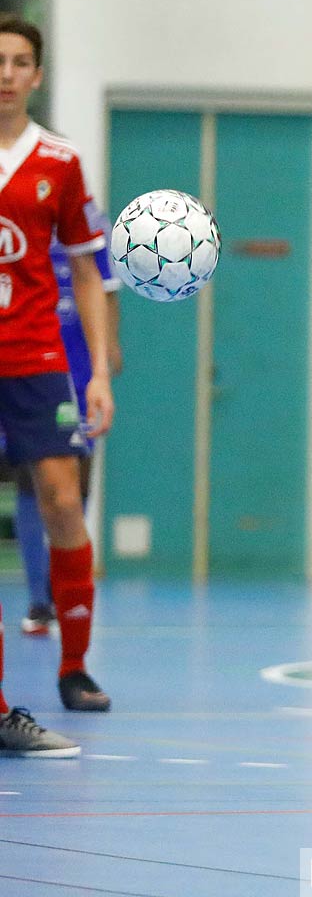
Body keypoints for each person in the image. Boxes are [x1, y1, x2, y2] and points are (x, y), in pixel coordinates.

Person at [0, 14, 113, 759]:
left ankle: (73, 665)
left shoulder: (60, 161)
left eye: (18, 62)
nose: (5, 72)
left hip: (39, 357)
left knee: (62, 501)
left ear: (37, 75)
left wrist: (99, 370)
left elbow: (85, 266)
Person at [14, 230, 123, 637]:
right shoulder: (20, 228)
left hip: (75, 378)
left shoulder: (89, 233)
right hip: (25, 373)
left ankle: (66, 596)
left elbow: (107, 292)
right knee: (31, 484)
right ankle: (40, 600)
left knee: (72, 492)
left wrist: (106, 356)